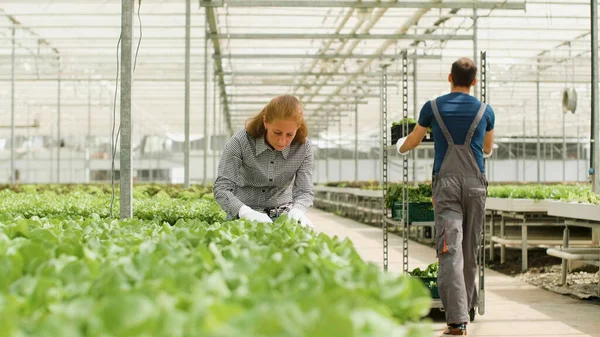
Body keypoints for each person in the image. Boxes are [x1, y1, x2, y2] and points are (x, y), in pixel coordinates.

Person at [396, 58, 495, 336]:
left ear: (449, 77)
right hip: (476, 186)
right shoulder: (486, 111)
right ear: (474, 81)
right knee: (470, 248)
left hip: (447, 186)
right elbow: (487, 148)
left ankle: (457, 321)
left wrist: (399, 148)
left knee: (449, 249)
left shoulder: (433, 107)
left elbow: (414, 140)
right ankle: (468, 307)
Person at [213, 94, 314, 228]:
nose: (282, 141)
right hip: (244, 217)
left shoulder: (304, 147)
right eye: (277, 132)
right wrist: (245, 212)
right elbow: (221, 188)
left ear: (298, 127)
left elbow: (304, 191)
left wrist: (298, 209)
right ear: (265, 121)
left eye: (290, 134)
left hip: (284, 218)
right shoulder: (241, 141)